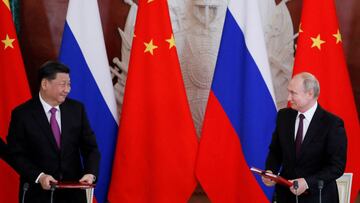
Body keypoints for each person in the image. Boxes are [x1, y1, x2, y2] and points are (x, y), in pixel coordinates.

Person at [6, 61, 100, 203]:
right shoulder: (22, 114)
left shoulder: (77, 109)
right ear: (45, 84)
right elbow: (16, 154)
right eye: (63, 84)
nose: (67, 89)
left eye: (69, 84)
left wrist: (90, 173)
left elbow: (91, 148)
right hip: (37, 194)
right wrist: (39, 176)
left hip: (73, 194)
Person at [263, 72, 347, 203]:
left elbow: (336, 167)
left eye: (293, 93)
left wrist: (307, 182)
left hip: (318, 197)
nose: (288, 97)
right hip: (286, 196)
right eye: (288, 92)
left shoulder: (332, 124)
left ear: (310, 93)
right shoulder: (283, 116)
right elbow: (276, 150)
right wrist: (270, 171)